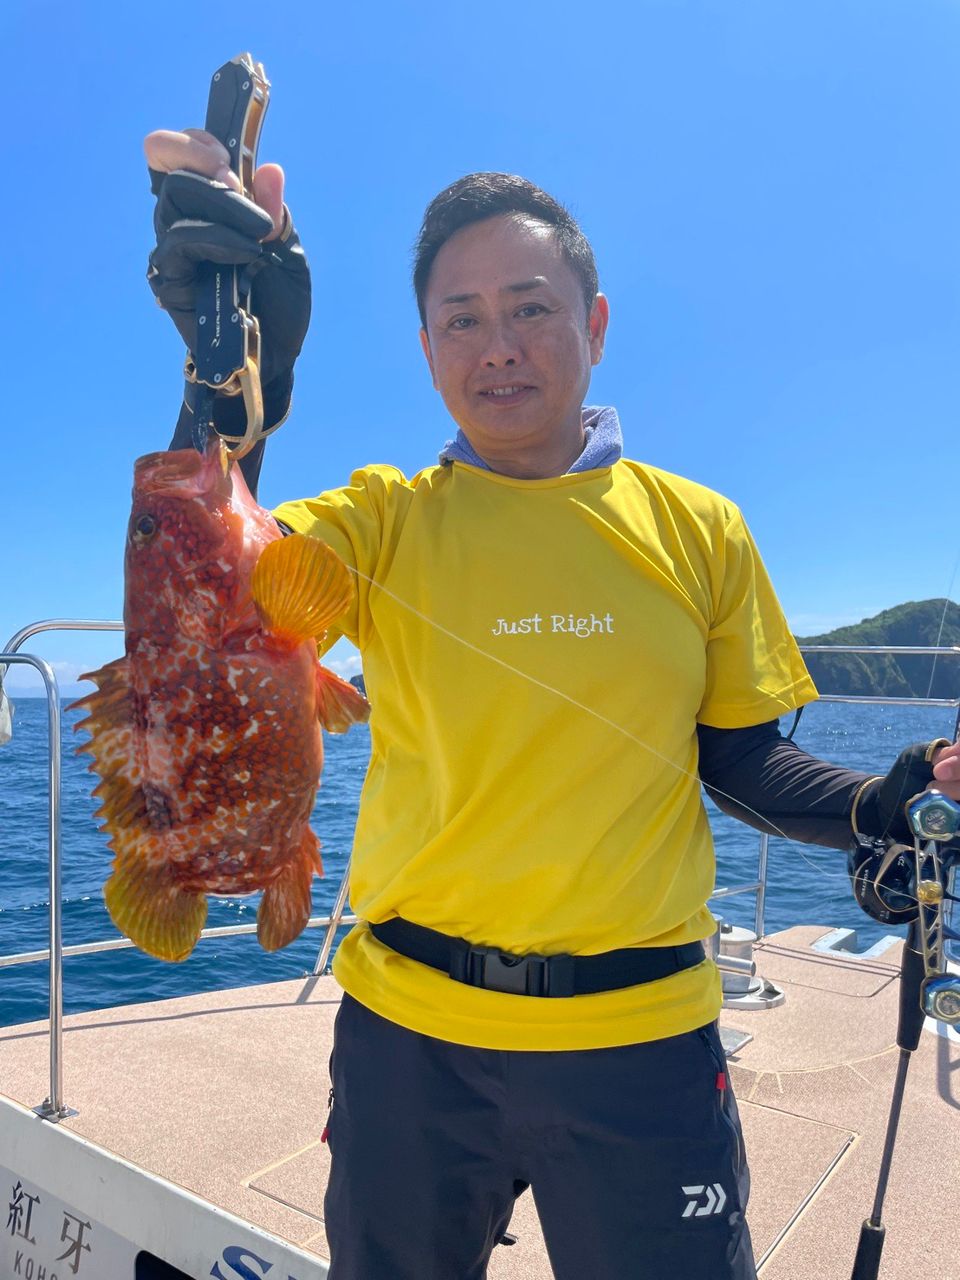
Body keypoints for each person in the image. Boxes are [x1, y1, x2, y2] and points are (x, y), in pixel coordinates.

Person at [144, 128, 960, 1280]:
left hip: (640, 1044)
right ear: (426, 351)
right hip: (409, 1034)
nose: (498, 346)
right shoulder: (385, 517)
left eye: (529, 307)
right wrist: (226, 387)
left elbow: (742, 760)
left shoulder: (701, 526)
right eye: (461, 318)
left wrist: (889, 798)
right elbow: (208, 600)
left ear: (598, 324)